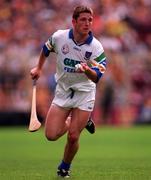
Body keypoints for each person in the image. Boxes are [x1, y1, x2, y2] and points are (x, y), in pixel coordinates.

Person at [30, 5, 107, 178]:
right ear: (74, 21)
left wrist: (86, 70)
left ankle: (64, 168)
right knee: (50, 135)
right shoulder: (59, 37)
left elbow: (97, 77)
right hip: (63, 91)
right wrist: (39, 68)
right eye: (83, 20)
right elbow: (45, 49)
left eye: (90, 20)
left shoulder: (96, 47)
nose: (87, 23)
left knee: (73, 136)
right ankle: (79, 120)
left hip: (84, 93)